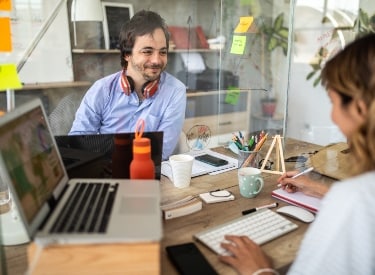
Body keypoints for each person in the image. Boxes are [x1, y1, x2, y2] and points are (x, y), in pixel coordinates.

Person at [218, 33, 375, 275]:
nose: (333, 116)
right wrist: (322, 190)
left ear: (359, 108)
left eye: (333, 102)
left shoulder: (354, 201)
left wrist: (259, 270)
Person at [69, 10, 186, 160]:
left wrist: (104, 150)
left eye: (162, 52)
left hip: (147, 173)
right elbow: (77, 141)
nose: (157, 60)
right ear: (127, 54)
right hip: (105, 172)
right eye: (147, 51)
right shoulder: (102, 90)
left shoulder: (175, 91)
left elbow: (161, 151)